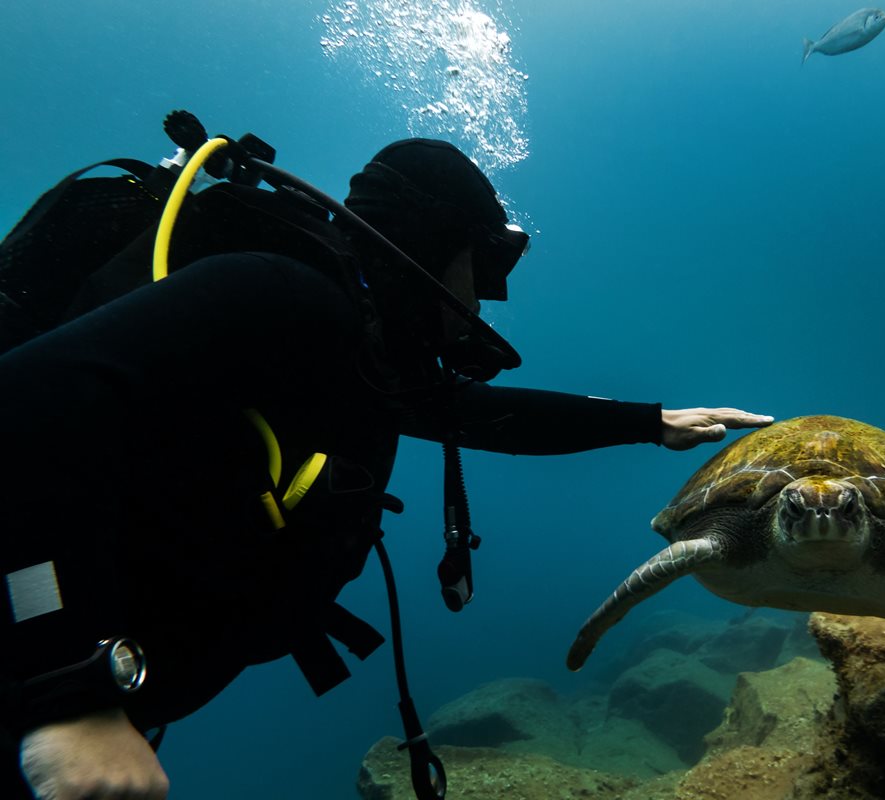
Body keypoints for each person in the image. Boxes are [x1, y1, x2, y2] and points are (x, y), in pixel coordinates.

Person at [0, 135, 773, 800]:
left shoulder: (346, 356)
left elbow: (474, 415)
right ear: (433, 242)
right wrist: (68, 692)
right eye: (485, 262)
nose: (488, 296)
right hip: (49, 682)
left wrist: (648, 423)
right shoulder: (276, 296)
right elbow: (23, 407)